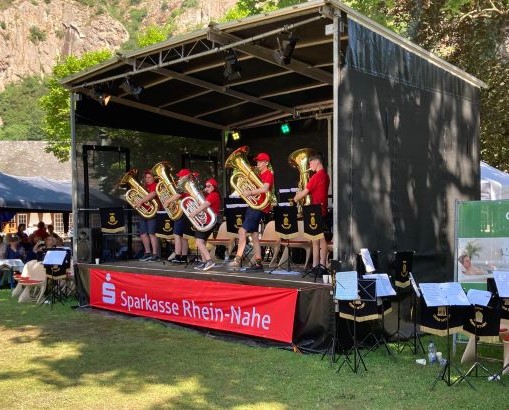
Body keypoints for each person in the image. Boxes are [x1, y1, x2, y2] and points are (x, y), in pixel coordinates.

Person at [228, 152, 274, 271]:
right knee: (254, 236)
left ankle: (237, 259)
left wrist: (250, 192)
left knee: (242, 231)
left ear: (266, 163)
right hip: (254, 206)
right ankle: (258, 263)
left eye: (260, 161)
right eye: (257, 161)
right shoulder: (259, 174)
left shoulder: (268, 173)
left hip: (259, 207)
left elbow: (265, 188)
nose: (257, 163)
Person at [293, 152, 330, 277]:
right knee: (315, 238)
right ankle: (316, 265)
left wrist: (296, 197)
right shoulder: (325, 175)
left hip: (317, 210)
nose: (309, 166)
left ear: (317, 162)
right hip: (318, 209)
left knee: (319, 238)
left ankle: (321, 265)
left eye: (310, 163)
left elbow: (304, 193)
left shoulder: (317, 176)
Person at [188, 178, 221, 271]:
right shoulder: (211, 195)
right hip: (207, 221)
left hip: (208, 221)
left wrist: (194, 213)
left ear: (214, 187)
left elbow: (204, 206)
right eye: (206, 186)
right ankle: (204, 262)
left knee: (199, 242)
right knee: (202, 242)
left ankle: (209, 261)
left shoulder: (214, 195)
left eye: (209, 186)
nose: (206, 188)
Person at [164, 169, 193, 264]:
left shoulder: (185, 183)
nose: (179, 178)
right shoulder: (191, 184)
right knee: (183, 236)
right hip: (187, 210)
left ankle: (177, 255)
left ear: (185, 176)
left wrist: (167, 201)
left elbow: (178, 195)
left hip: (183, 212)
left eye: (180, 176)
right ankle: (183, 257)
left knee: (177, 235)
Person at [134, 169, 161, 262]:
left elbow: (153, 194)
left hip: (153, 213)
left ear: (154, 178)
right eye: (146, 177)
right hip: (144, 212)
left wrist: (141, 201)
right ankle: (147, 253)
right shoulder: (144, 186)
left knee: (152, 233)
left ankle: (155, 254)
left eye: (149, 177)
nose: (147, 179)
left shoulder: (155, 185)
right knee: (143, 233)